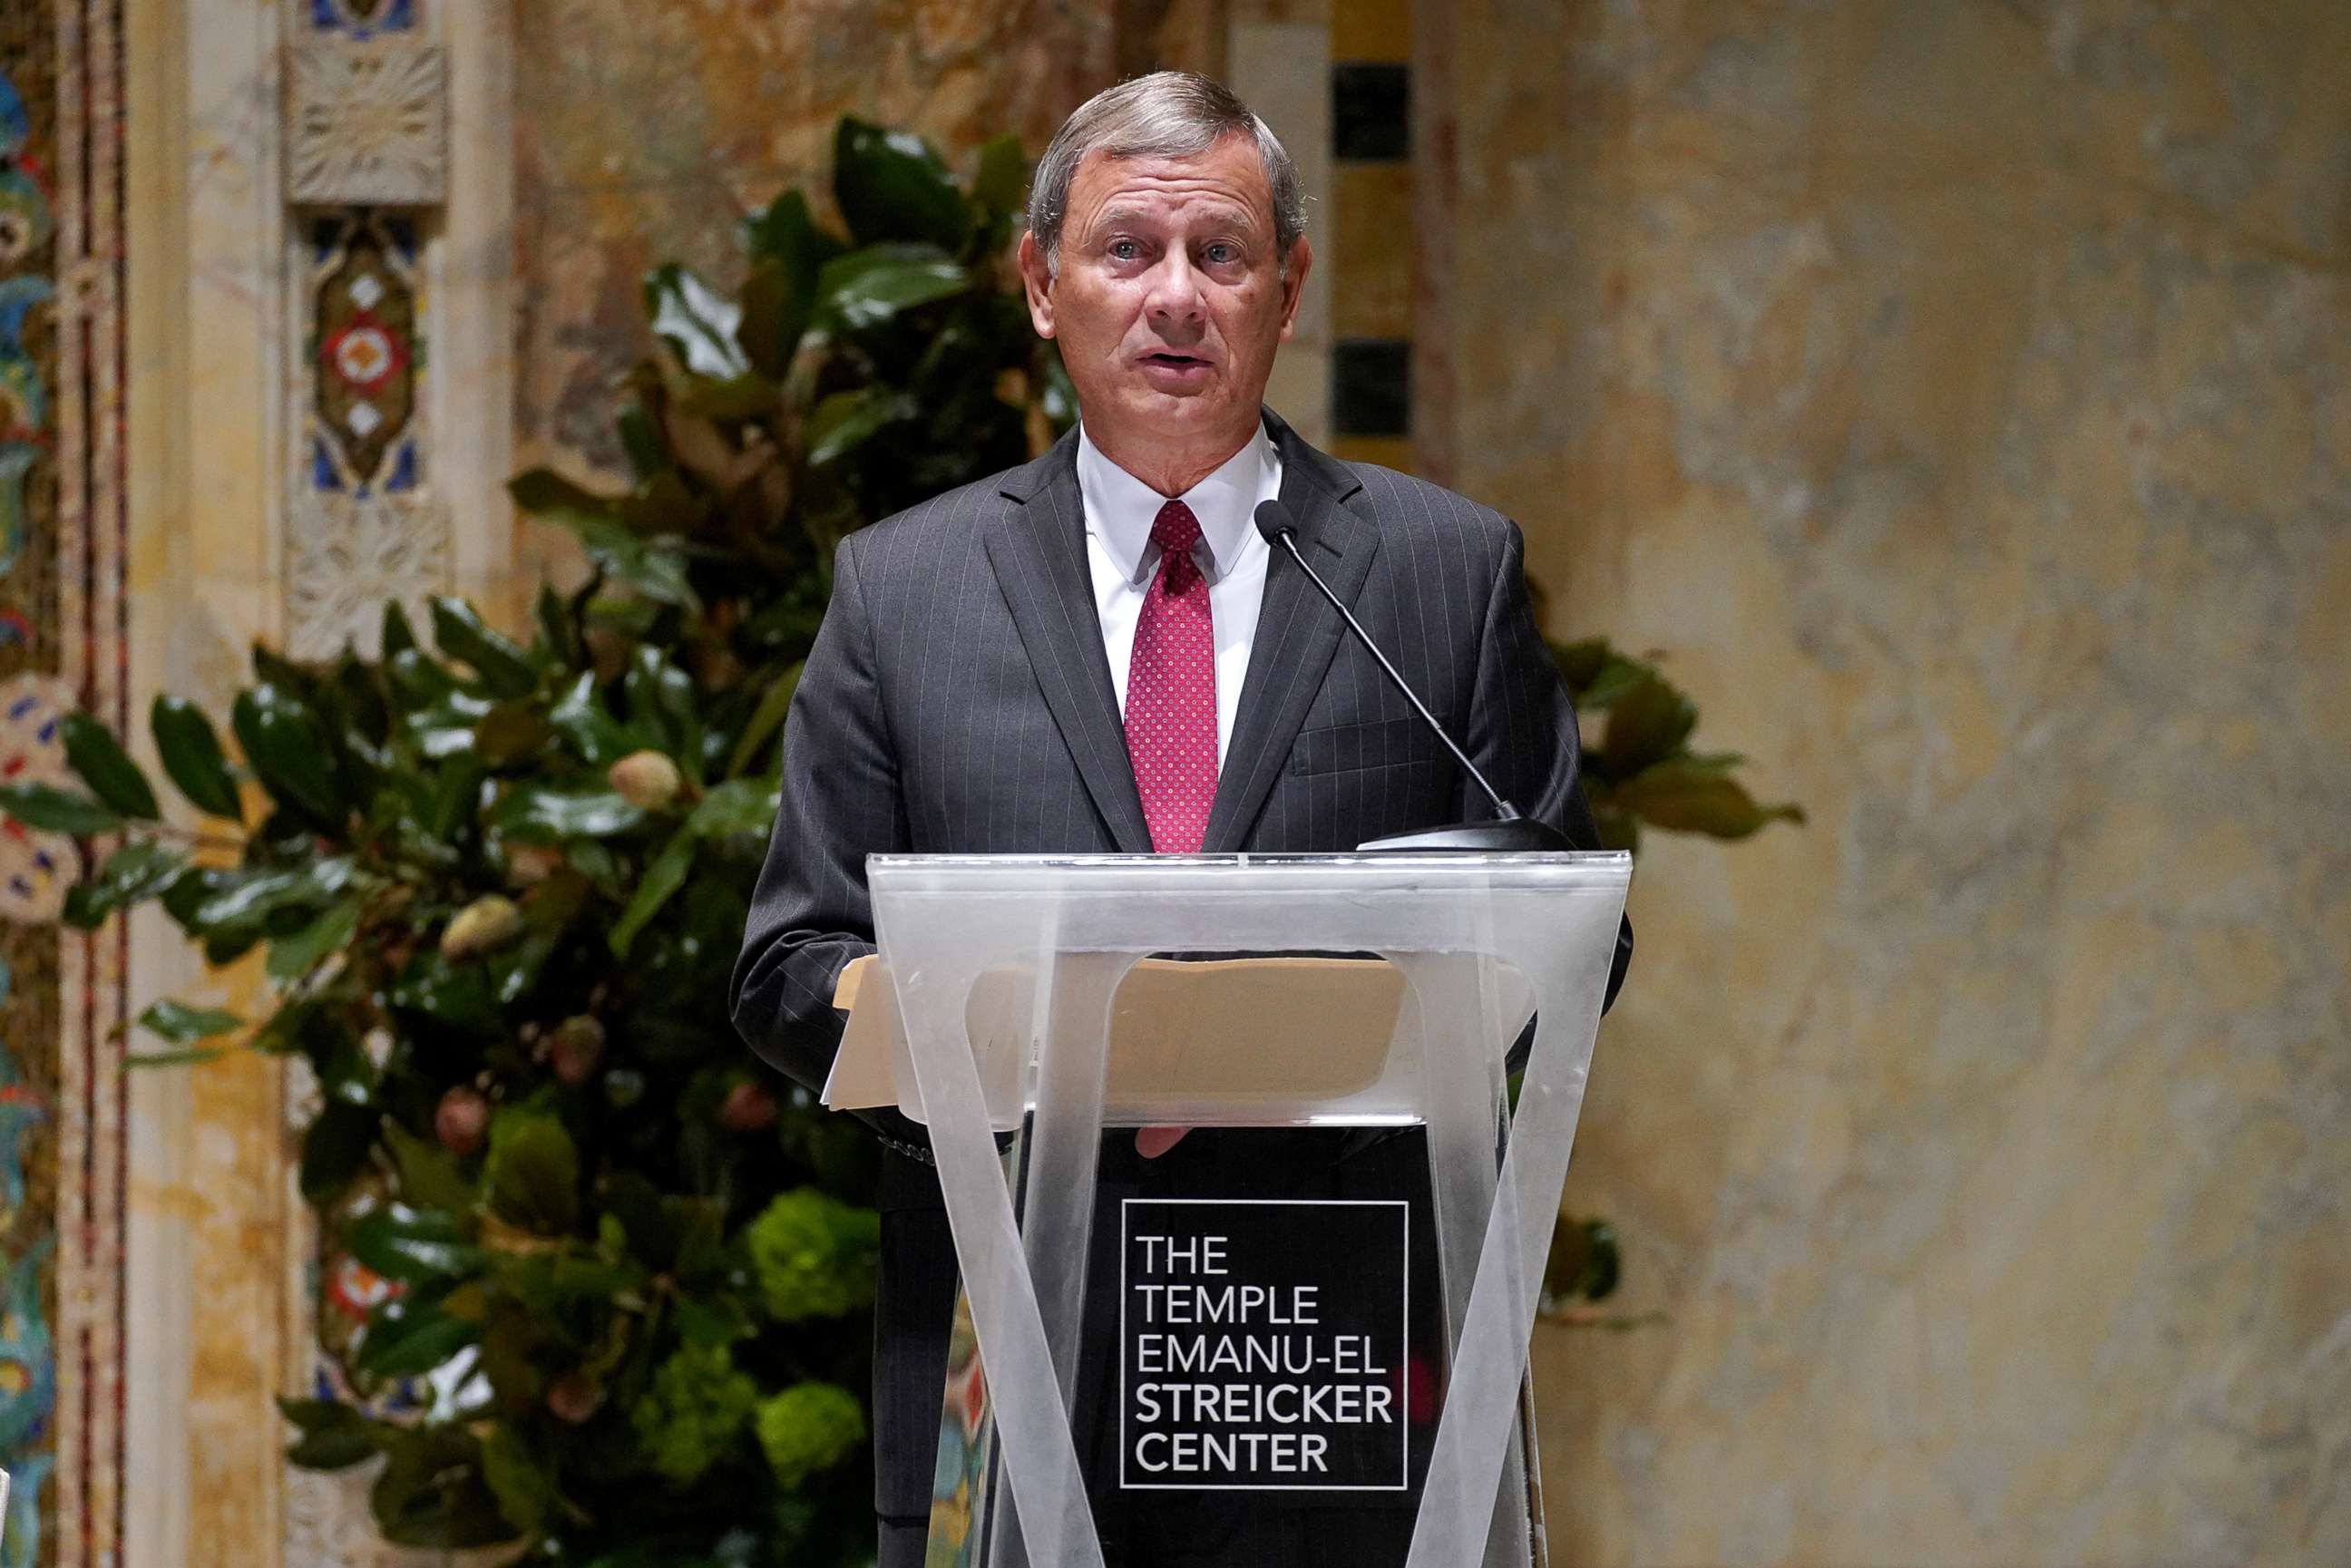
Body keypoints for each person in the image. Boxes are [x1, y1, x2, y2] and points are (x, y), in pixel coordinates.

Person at [731, 70, 1629, 1568]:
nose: (1176, 299)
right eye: (1126, 254)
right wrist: (984, 1047)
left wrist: (1316, 1045)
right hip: (1012, 1350)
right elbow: (786, 961)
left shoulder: (1435, 574)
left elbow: (1564, 939)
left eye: (1220, 256)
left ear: (1288, 292)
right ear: (1042, 286)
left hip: (1340, 1359)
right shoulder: (905, 592)